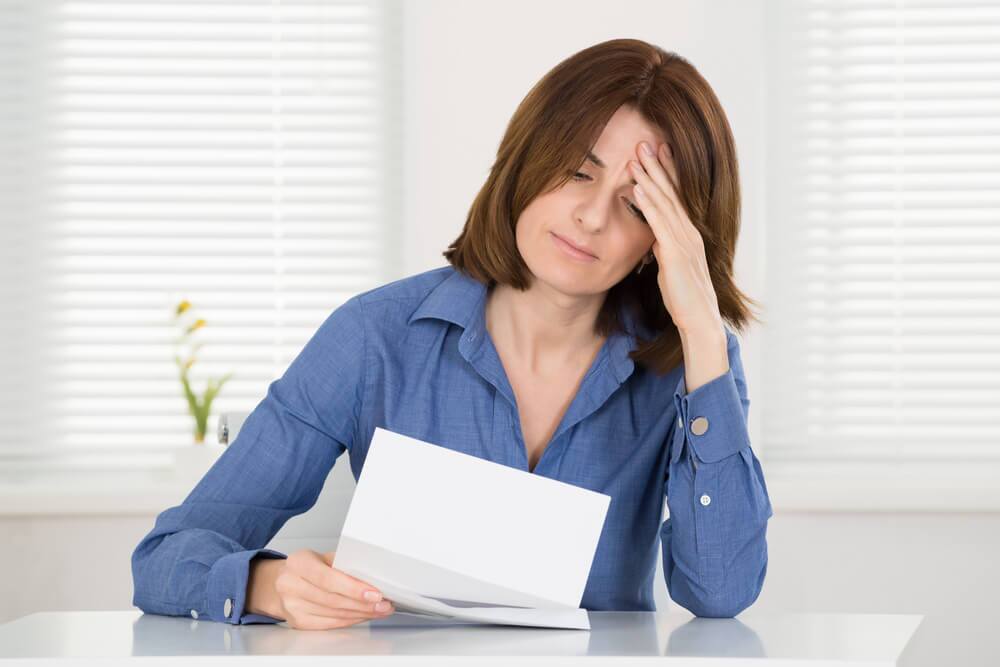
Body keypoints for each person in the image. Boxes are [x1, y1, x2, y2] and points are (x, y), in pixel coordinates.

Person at [131, 37, 773, 630]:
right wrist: (267, 585)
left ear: (665, 241)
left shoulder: (692, 362)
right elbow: (164, 558)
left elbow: (719, 592)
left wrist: (702, 329)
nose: (591, 216)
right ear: (527, 160)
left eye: (638, 205)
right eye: (578, 172)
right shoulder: (373, 337)